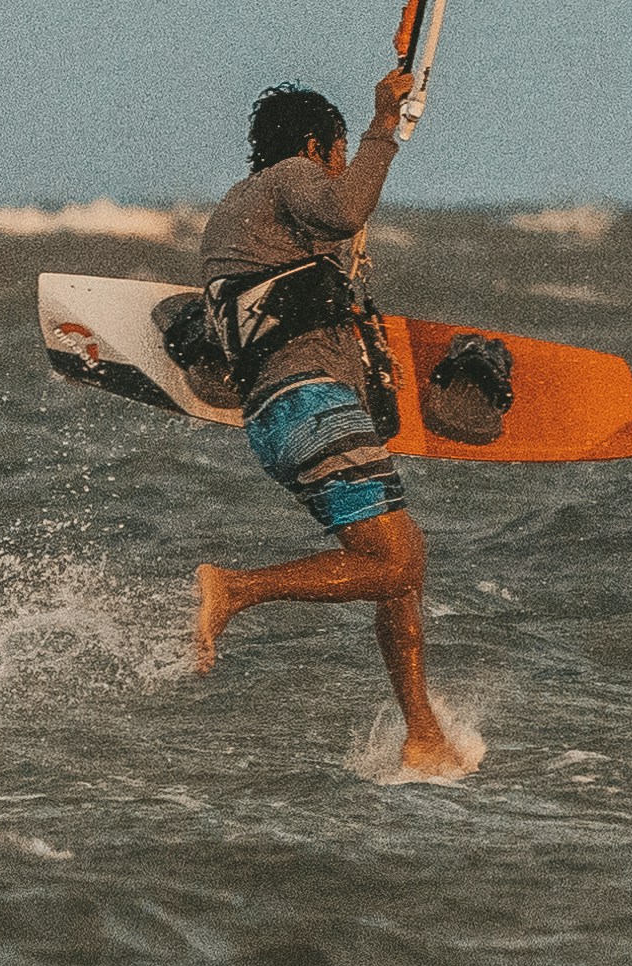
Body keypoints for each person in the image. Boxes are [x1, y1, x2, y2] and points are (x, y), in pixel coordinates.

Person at [186, 76, 476, 778]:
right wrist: (384, 125)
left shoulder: (234, 213)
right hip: (309, 400)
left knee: (400, 561)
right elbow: (344, 210)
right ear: (314, 146)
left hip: (281, 415)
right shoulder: (290, 177)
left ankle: (423, 734)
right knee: (395, 562)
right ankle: (235, 588)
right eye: (338, 153)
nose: (341, 169)